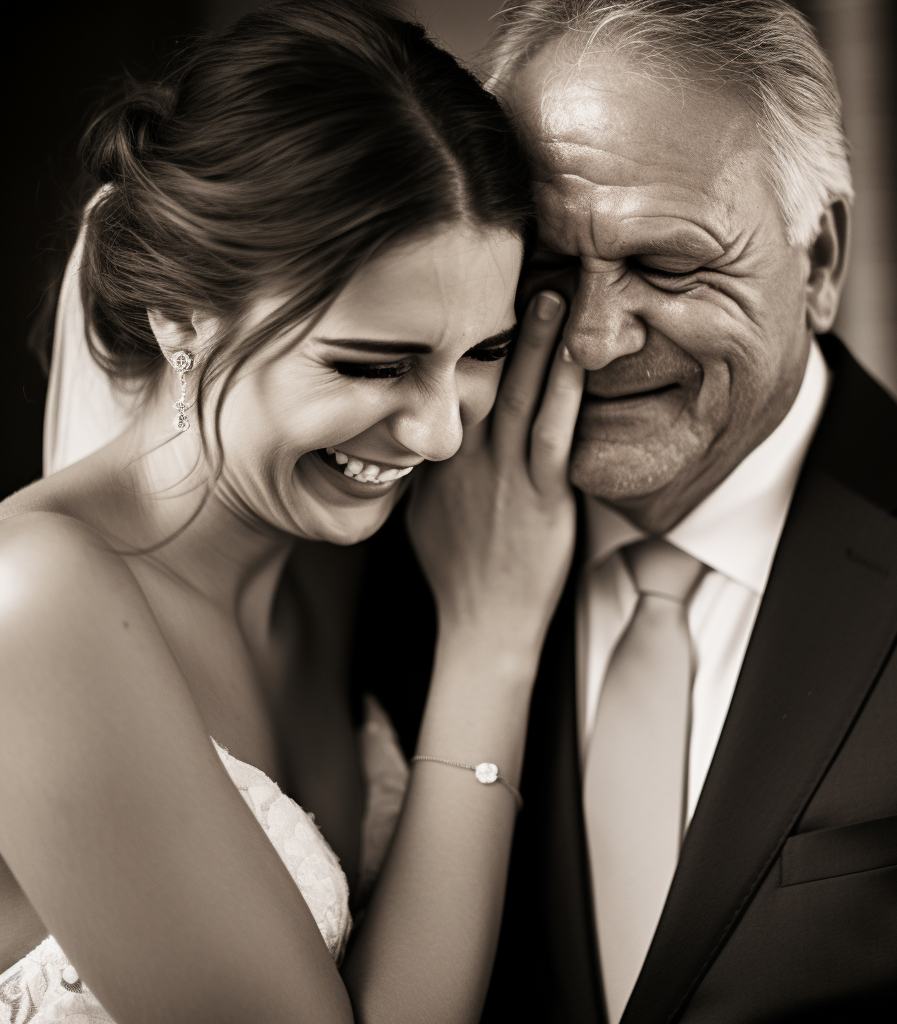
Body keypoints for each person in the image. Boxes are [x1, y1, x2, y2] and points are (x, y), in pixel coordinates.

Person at [355, 2, 897, 1022]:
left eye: (665, 267)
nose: (592, 338)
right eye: (544, 272)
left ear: (820, 259)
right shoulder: (364, 554)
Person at [0, 2, 586, 1022]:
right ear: (182, 315)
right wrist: (493, 639)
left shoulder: (345, 543)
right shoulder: (32, 600)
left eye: (482, 353)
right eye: (372, 363)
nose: (443, 435)